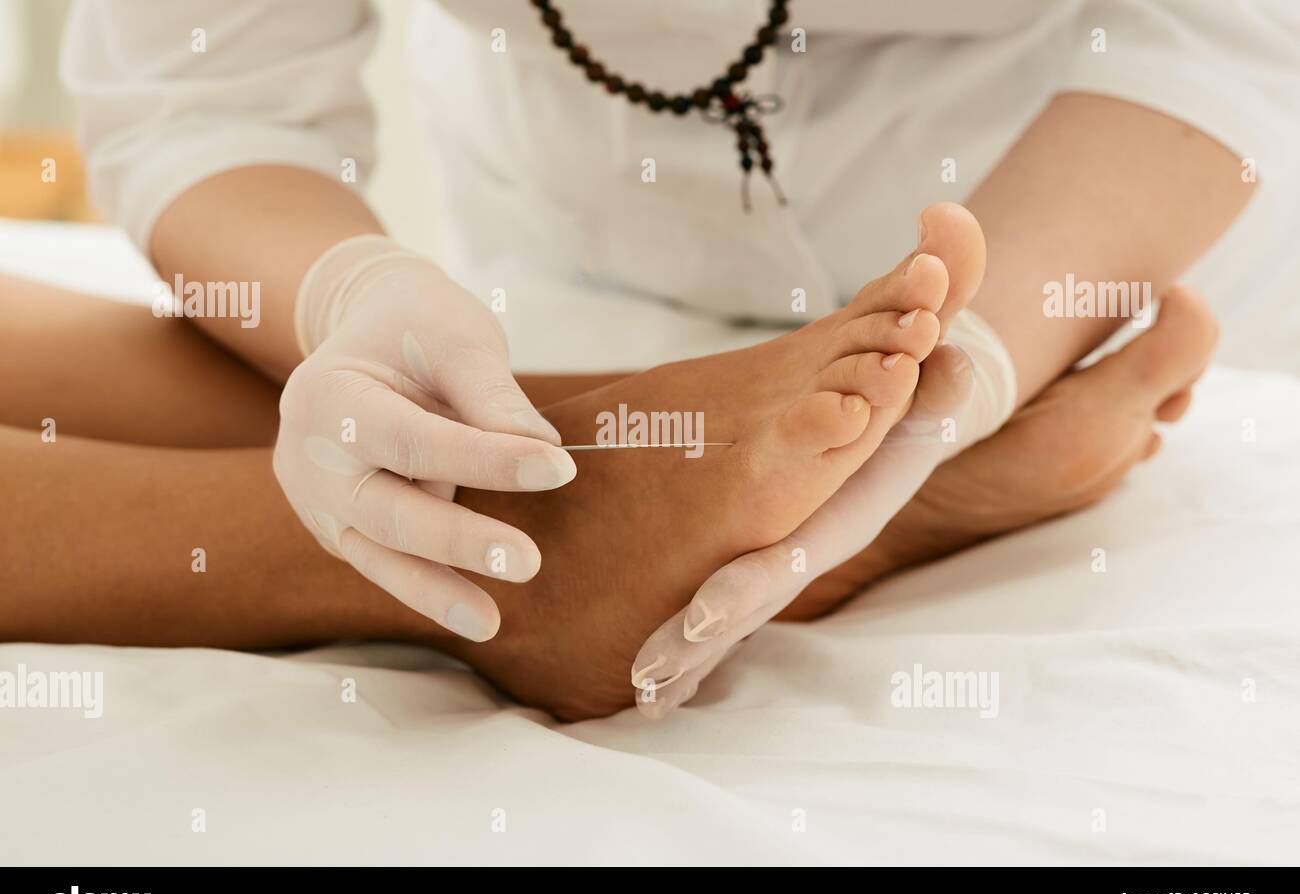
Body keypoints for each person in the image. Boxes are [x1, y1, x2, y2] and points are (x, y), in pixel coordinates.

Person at [31, 0, 1295, 717]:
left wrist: (979, 346)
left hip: (1067, 202)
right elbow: (203, 91)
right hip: (583, 232)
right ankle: (572, 505)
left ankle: (572, 490)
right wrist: (354, 295)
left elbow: (1224, 19)